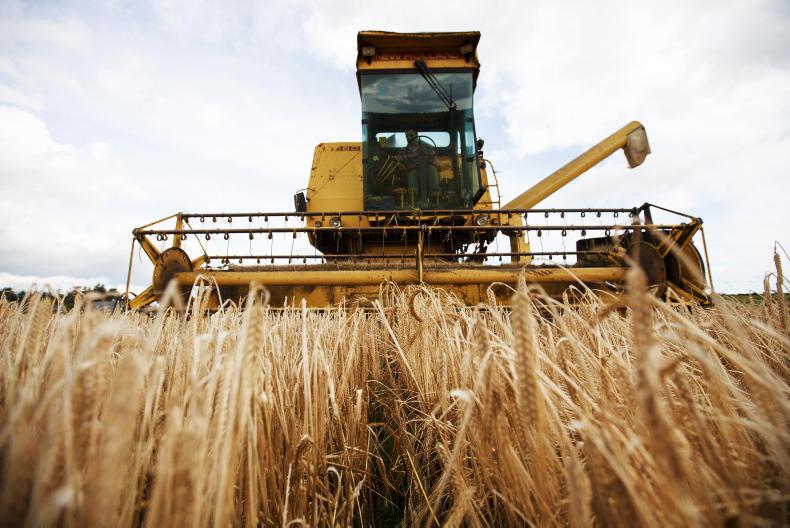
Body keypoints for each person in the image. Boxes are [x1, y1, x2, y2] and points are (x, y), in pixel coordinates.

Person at [395, 129, 441, 206]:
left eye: (411, 135)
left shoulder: (427, 147)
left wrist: (432, 162)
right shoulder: (402, 151)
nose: (409, 138)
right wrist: (402, 166)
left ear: (417, 135)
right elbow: (399, 165)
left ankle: (434, 198)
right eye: (407, 136)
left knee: (432, 169)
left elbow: (437, 162)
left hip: (427, 170)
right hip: (411, 172)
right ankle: (414, 200)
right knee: (413, 173)